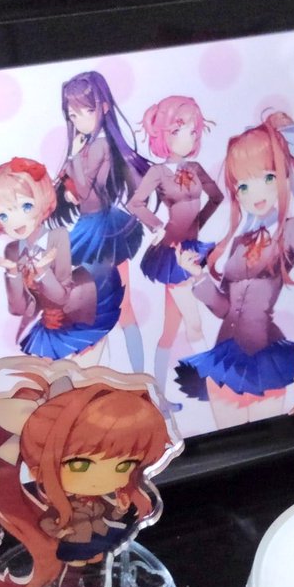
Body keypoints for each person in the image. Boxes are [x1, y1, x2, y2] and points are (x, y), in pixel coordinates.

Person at [176, 111, 294, 427]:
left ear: (284, 175)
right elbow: (224, 309)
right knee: (228, 445)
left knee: (265, 439)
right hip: (224, 359)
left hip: (263, 360)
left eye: (267, 178)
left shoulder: (292, 229)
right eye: (243, 186)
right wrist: (199, 278)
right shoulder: (242, 240)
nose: (254, 194)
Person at [0, 358, 182, 587]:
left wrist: (119, 509)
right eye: (80, 464)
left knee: (97, 562)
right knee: (75, 565)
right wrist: (59, 530)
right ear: (39, 467)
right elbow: (47, 521)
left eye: (124, 466)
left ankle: (94, 586)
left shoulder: (104, 497)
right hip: (74, 540)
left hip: (100, 537)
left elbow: (108, 512)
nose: (103, 479)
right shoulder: (60, 504)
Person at [127, 96, 223, 410]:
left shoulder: (195, 167)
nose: (190, 137)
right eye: (181, 130)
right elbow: (135, 204)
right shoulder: (158, 172)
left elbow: (217, 197)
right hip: (173, 253)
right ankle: (212, 384)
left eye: (194, 131)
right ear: (165, 133)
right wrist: (157, 226)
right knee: (193, 323)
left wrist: (197, 225)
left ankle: (158, 397)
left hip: (192, 248)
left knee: (170, 330)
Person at [0, 157, 123, 362]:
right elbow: (20, 308)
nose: (16, 221)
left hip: (80, 307)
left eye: (26, 206)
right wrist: (12, 274)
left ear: (43, 199)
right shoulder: (12, 251)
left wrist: (42, 273)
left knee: (84, 366)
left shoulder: (57, 236)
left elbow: (63, 294)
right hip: (49, 320)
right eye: (3, 216)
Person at [56, 71, 149, 371]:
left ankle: (134, 377)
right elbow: (78, 190)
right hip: (92, 226)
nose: (79, 121)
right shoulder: (89, 146)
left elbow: (85, 190)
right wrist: (69, 190)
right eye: (73, 115)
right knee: (112, 308)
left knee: (113, 307)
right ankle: (127, 376)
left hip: (103, 230)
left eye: (85, 111)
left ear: (104, 107)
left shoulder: (100, 145)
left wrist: (72, 159)